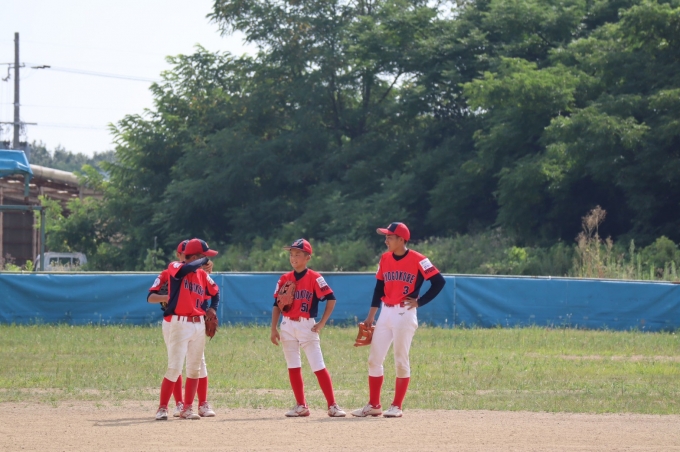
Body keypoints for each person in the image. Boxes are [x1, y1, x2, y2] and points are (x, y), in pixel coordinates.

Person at [351, 222, 446, 418]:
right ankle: (374, 405)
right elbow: (379, 288)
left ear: (401, 239)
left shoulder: (419, 259)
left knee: (400, 359)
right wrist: (371, 315)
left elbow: (439, 282)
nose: (386, 240)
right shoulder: (385, 258)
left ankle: (396, 406)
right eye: (386, 237)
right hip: (385, 312)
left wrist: (420, 302)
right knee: (374, 359)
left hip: (405, 312)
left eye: (390, 237)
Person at [270, 238, 346, 418]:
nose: (293, 258)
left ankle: (332, 405)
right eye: (291, 254)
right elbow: (276, 304)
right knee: (293, 366)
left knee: (318, 365)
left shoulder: (315, 277)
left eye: (298, 254)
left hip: (307, 325)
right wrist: (273, 328)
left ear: (307, 258)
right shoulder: (284, 278)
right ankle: (301, 405)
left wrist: (322, 322)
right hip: (287, 324)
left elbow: (331, 299)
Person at [148, 238, 220, 420]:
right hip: (179, 323)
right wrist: (203, 261)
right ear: (195, 257)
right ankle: (163, 408)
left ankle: (188, 408)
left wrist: (213, 308)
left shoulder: (202, 275)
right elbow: (184, 269)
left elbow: (215, 292)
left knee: (195, 369)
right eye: (203, 256)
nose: (207, 260)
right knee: (174, 368)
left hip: (198, 324)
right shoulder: (175, 267)